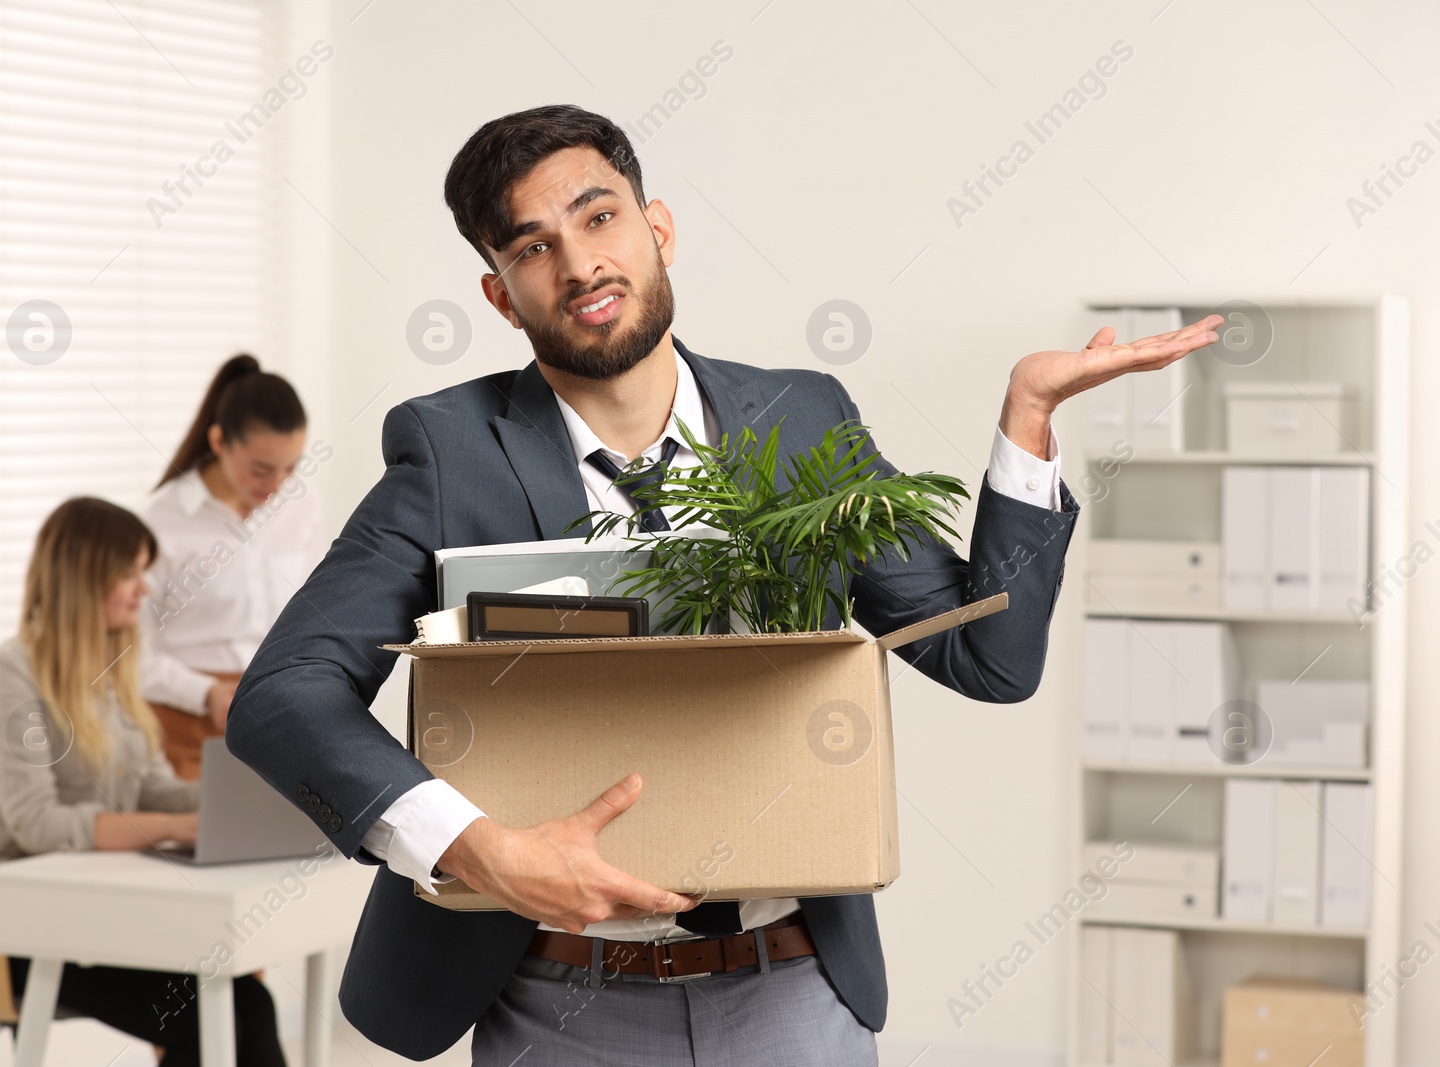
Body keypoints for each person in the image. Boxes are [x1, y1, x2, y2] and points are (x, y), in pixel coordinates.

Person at [225, 105, 1224, 1065]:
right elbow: (284, 695)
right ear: (499, 294)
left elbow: (986, 656)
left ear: (656, 228)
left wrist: (1027, 420)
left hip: (794, 995)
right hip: (555, 1003)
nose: (577, 265)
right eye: (530, 247)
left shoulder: (800, 416)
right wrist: (474, 845)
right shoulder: (450, 450)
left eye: (598, 216)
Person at [0, 497, 287, 1067]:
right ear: (83, 578)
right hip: (11, 919)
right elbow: (39, 824)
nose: (143, 590)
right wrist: (176, 825)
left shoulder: (114, 667)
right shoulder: (12, 675)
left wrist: (242, 798)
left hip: (91, 903)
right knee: (216, 1011)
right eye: (129, 574)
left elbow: (152, 786)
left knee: (240, 999)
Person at [139, 355, 326, 779]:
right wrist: (205, 694)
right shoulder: (161, 520)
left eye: (291, 468)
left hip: (277, 716)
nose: (278, 486)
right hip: (183, 725)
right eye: (261, 469)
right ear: (220, 441)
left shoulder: (303, 504)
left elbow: (313, 615)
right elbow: (128, 653)